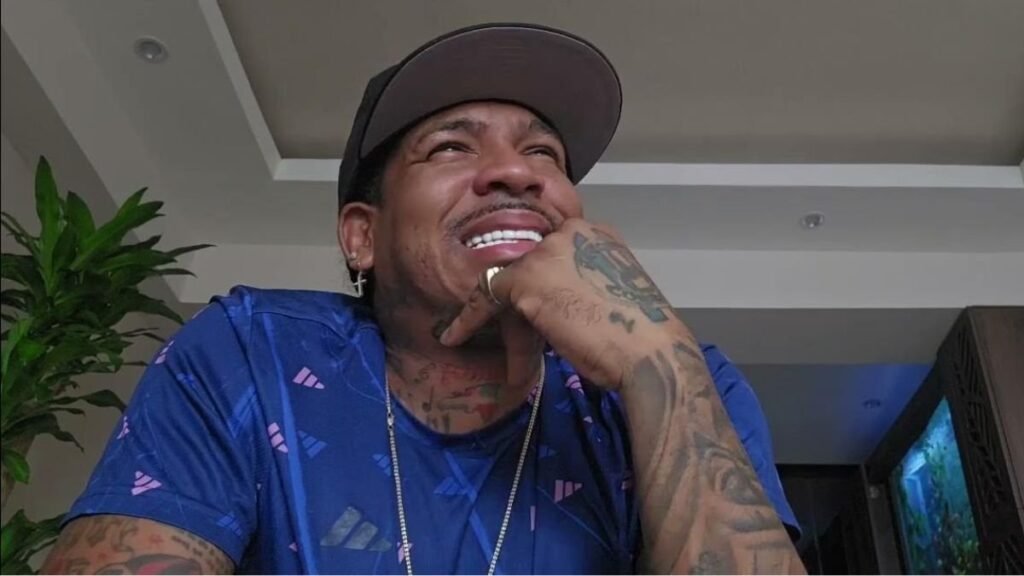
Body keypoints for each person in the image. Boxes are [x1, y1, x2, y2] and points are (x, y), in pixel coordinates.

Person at [42, 23, 804, 574]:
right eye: (451, 147)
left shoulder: (689, 376)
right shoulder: (248, 351)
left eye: (544, 152)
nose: (518, 173)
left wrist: (658, 366)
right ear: (362, 237)